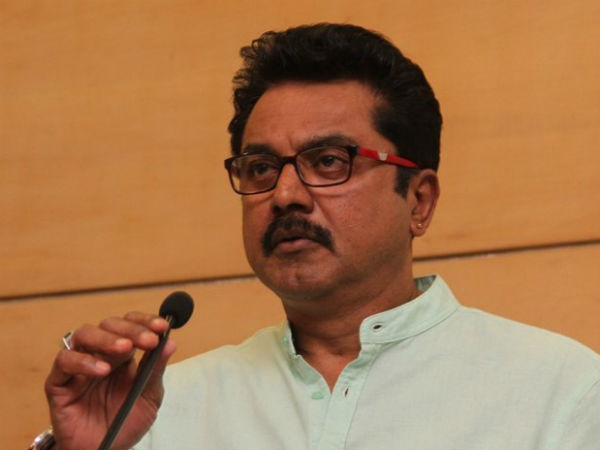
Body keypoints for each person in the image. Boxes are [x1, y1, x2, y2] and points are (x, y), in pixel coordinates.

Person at [39, 23, 599, 450]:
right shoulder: (156, 411)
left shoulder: (559, 391)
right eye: (261, 167)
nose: (285, 194)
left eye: (329, 161)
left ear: (419, 201)